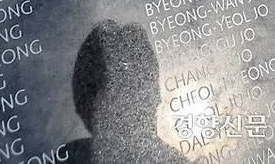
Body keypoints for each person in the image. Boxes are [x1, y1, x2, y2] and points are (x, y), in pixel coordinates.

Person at [66, 21, 188, 164]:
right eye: (124, 92)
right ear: (89, 106)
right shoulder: (67, 158)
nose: (155, 100)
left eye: (146, 86)